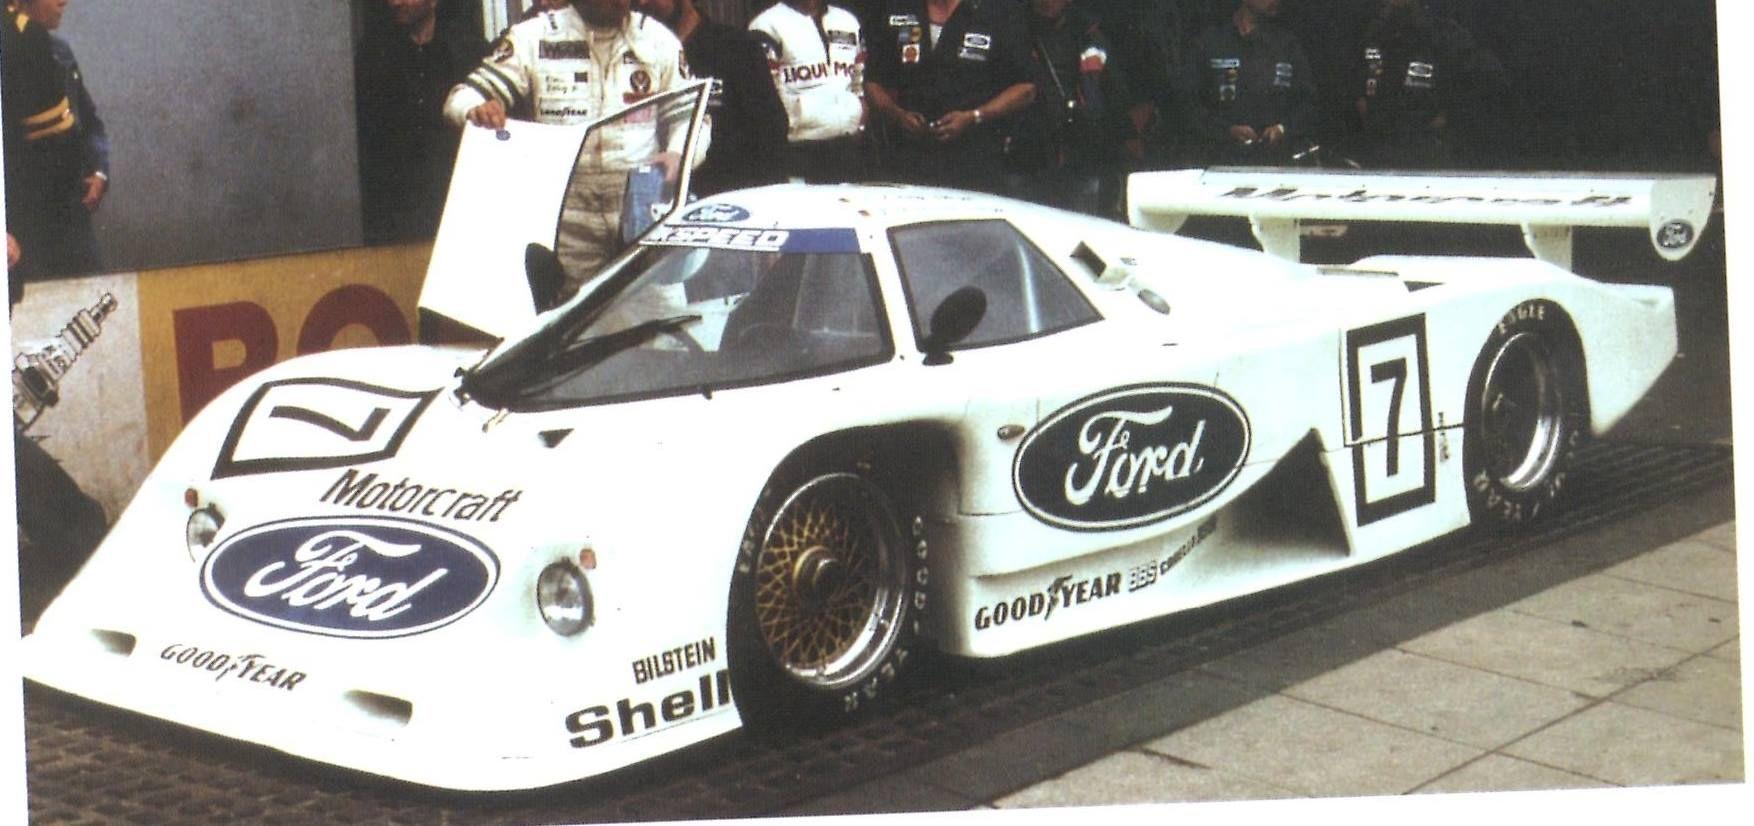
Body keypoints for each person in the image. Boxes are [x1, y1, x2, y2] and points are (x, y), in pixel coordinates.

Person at [443, 0, 700, 298]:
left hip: (642, 214)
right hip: (568, 221)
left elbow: (694, 118)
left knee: (658, 316)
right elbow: (461, 98)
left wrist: (679, 154)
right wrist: (476, 110)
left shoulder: (658, 40)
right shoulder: (535, 36)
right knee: (573, 317)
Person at [863, 0, 1036, 194]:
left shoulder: (997, 11)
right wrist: (897, 115)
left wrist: (975, 116)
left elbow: (1025, 88)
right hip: (908, 160)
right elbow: (872, 81)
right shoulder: (899, 9)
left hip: (974, 161)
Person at [354, 0, 487, 243]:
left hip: (457, 201)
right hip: (396, 211)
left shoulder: (468, 51)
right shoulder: (373, 56)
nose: (395, 2)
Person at [1005, 0, 1144, 215]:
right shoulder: (1011, 33)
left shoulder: (1090, 35)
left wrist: (1123, 138)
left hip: (1081, 157)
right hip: (1027, 157)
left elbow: (1115, 97)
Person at [636, 0, 787, 194]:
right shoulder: (637, 54)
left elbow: (771, 133)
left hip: (728, 194)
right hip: (658, 195)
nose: (643, 2)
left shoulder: (737, 47)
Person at [1349, 0, 1503, 169]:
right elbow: (1350, 79)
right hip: (1374, 151)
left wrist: (1449, 116)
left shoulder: (1443, 34)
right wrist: (1359, 99)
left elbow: (1488, 77)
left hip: (1428, 153)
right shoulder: (1370, 31)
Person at [6, 0, 98, 277]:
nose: (63, 1)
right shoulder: (22, 42)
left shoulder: (44, 45)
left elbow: (85, 122)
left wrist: (97, 170)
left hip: (61, 217)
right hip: (29, 228)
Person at [748, 0, 867, 183]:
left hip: (846, 148)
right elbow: (764, 97)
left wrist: (859, 118)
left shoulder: (847, 21)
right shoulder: (766, 25)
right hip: (797, 151)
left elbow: (858, 80)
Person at [1186, 0, 1314, 166]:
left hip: (1277, 163)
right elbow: (1189, 104)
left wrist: (1283, 129)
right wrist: (1226, 131)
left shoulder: (1288, 45)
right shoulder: (1210, 44)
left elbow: (1309, 102)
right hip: (1220, 162)